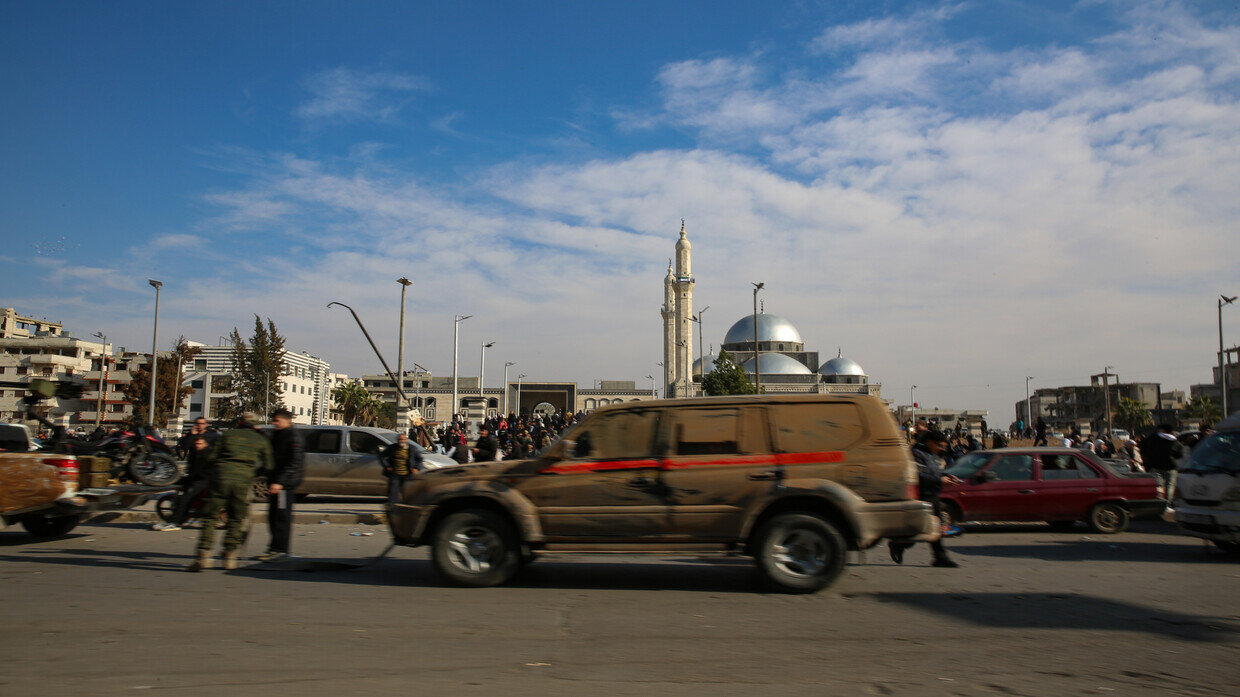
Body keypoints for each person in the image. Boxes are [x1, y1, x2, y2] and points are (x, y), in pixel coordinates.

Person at [185, 412, 273, 572]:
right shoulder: (260, 439)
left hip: (220, 478)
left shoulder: (228, 434)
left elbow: (212, 456)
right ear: (255, 424)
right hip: (243, 481)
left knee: (210, 516)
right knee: (236, 518)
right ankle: (230, 556)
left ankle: (204, 555)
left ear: (240, 422)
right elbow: (268, 465)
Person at [889, 431, 961, 568]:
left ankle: (940, 557)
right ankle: (898, 545)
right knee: (921, 528)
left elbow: (933, 472)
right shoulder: (916, 454)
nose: (942, 449)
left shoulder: (930, 455)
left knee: (936, 528)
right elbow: (919, 475)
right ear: (929, 442)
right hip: (921, 496)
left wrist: (947, 476)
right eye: (939, 445)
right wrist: (940, 480)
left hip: (932, 495)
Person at [254, 408, 304, 562]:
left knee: (281, 517)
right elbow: (271, 446)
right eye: (274, 420)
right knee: (273, 517)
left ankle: (281, 550)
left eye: (277, 421)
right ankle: (274, 548)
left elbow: (293, 463)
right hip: (276, 483)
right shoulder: (279, 434)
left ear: (287, 420)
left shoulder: (294, 437)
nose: (274, 423)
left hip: (285, 485)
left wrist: (279, 482)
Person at [153, 435, 212, 531]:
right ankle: (179, 518)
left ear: (205, 444)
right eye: (196, 443)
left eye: (200, 444)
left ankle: (174, 522)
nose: (197, 445)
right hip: (195, 479)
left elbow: (199, 471)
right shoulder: (196, 453)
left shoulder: (207, 454)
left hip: (203, 481)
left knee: (185, 499)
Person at [1138, 424, 1184, 500]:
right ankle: (1167, 503)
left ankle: (1157, 501)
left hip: (1155, 466)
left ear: (1162, 430)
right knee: (1169, 485)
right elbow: (1179, 454)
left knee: (1156, 485)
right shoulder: (1174, 441)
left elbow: (1143, 448)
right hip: (1170, 467)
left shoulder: (1152, 439)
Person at [382, 432, 422, 503]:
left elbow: (420, 459)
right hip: (395, 474)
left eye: (403, 439)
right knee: (393, 494)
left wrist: (416, 468)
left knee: (407, 494)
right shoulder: (392, 448)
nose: (402, 441)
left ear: (406, 440)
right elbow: (381, 456)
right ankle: (393, 508)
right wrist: (387, 466)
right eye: (400, 439)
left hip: (407, 475)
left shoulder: (412, 448)